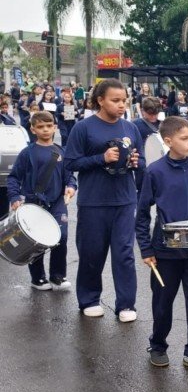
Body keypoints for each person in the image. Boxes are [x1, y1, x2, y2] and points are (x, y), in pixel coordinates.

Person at [136, 117, 188, 372]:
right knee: (163, 303)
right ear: (168, 141)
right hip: (165, 252)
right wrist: (146, 249)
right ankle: (158, 345)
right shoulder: (155, 171)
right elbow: (141, 214)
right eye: (185, 139)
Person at [64, 78, 143, 321]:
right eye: (115, 100)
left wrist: (134, 163)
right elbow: (70, 163)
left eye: (124, 101)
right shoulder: (83, 128)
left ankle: (126, 305)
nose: (121, 105)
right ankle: (89, 299)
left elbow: (139, 161)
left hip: (124, 200)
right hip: (93, 202)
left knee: (125, 254)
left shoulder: (131, 128)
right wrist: (102, 158)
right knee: (91, 253)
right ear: (100, 100)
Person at [7, 111, 77, 291]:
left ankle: (58, 276)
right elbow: (14, 178)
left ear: (55, 127)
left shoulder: (61, 151)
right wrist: (15, 197)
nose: (45, 130)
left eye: (49, 126)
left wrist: (71, 186)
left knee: (61, 237)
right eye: (40, 127)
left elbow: (69, 176)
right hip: (33, 202)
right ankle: (37, 278)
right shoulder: (27, 153)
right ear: (33, 129)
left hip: (57, 202)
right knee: (35, 240)